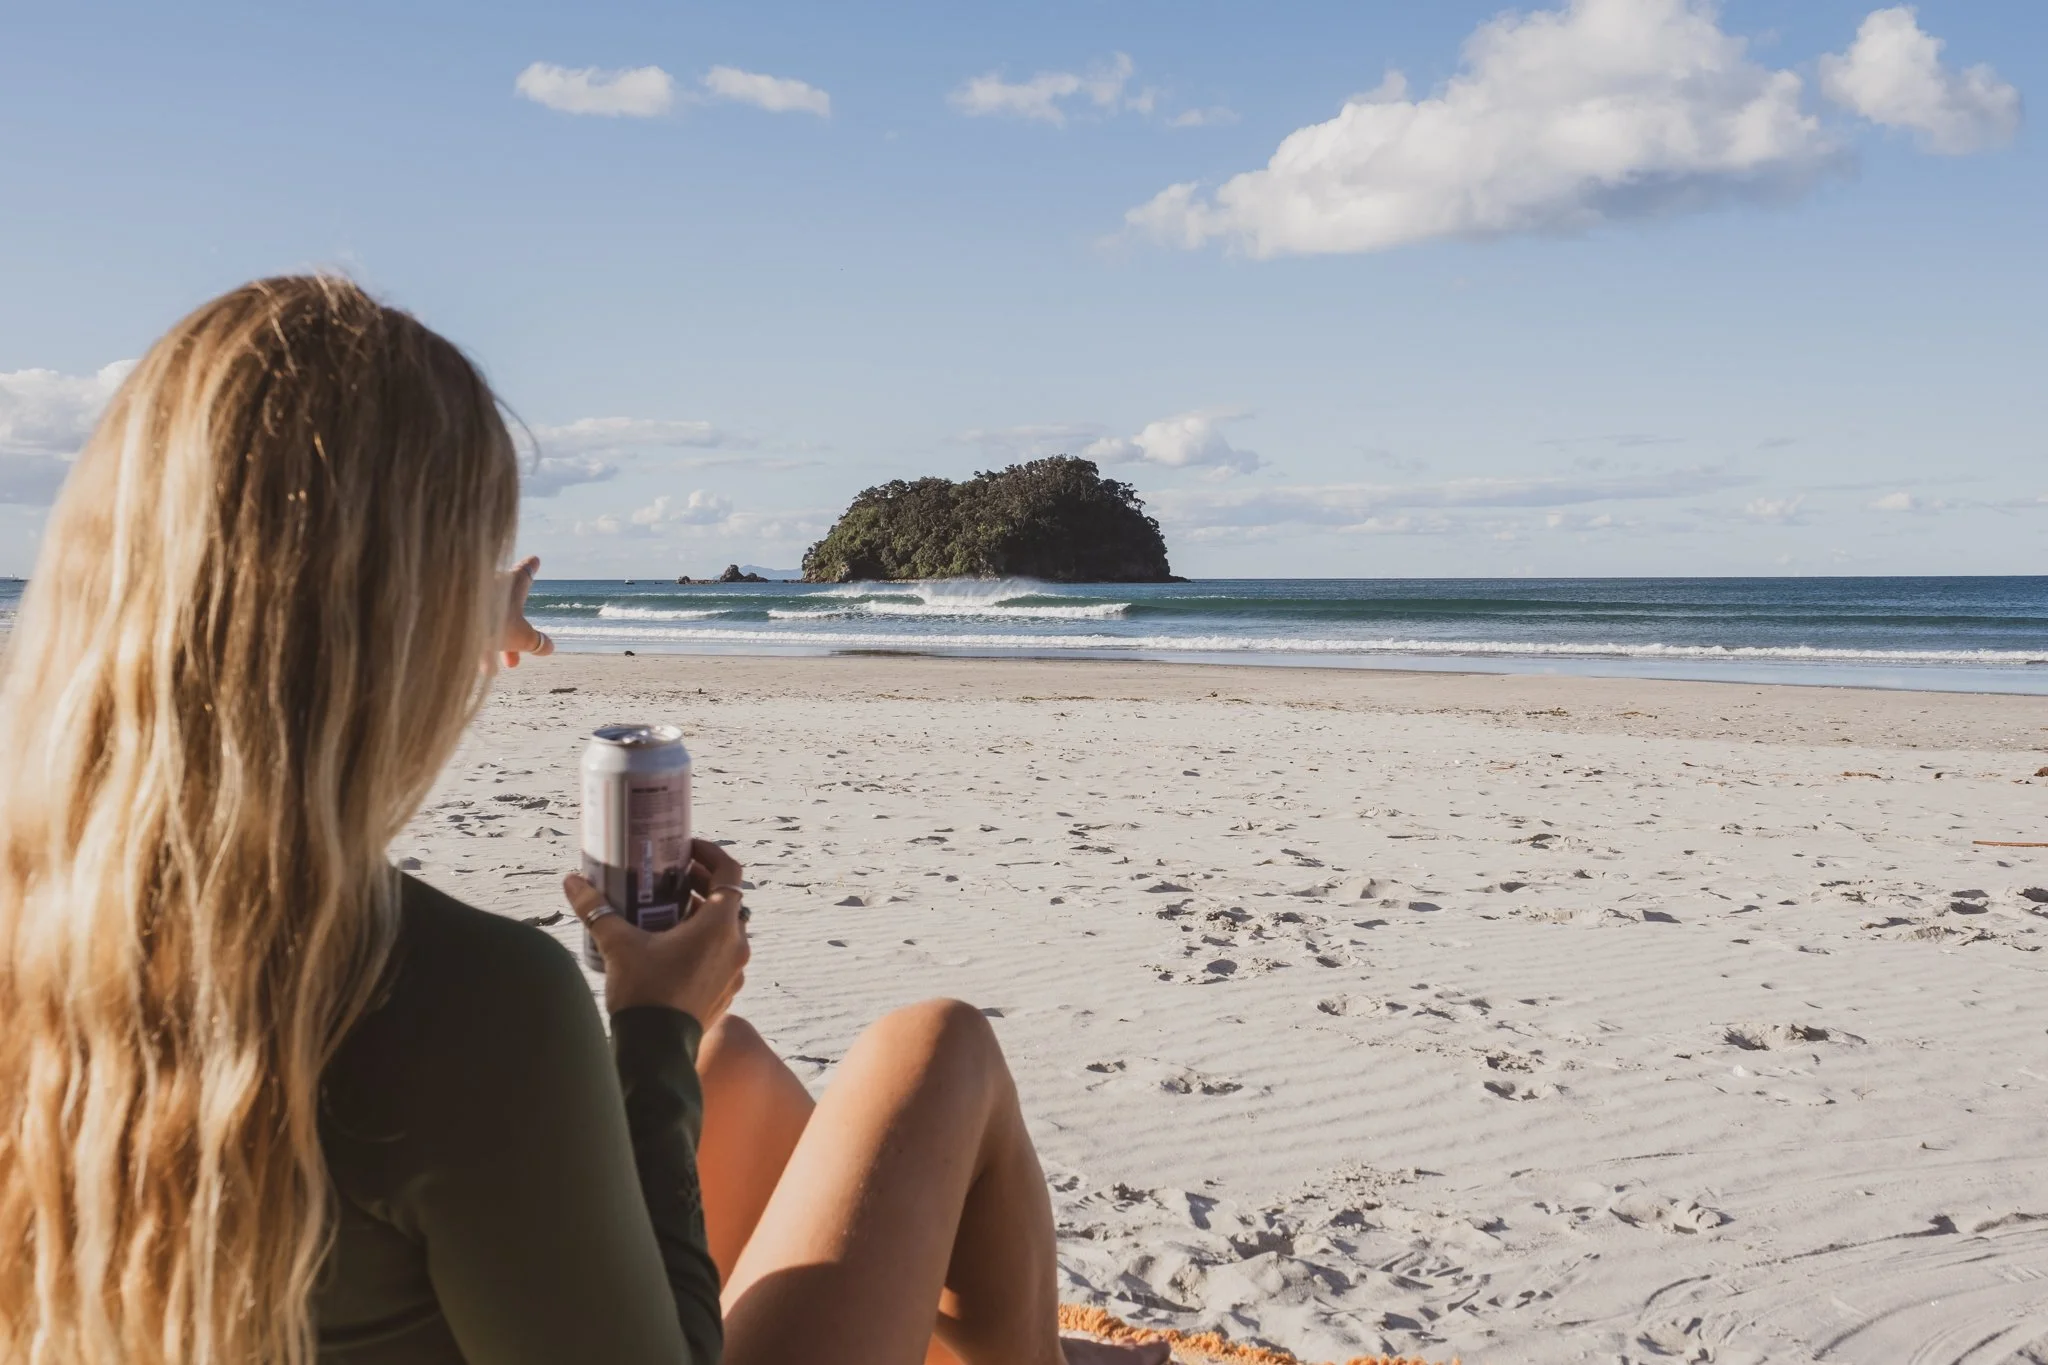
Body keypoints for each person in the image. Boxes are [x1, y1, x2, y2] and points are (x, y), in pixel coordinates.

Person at [0, 277, 1169, 1365]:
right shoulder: (456, 998)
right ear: (404, 623)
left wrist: (453, 615)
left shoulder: (51, 923)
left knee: (731, 1068)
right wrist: (650, 1025)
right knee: (934, 1048)